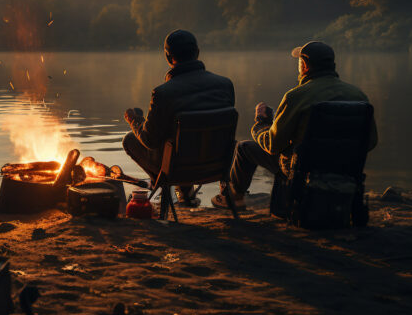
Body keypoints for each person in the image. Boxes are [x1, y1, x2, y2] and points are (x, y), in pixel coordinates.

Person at [212, 41, 377, 210]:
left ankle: (233, 199)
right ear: (332, 65)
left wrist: (260, 126)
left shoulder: (296, 96)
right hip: (344, 168)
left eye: (299, 62)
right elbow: (370, 142)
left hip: (303, 170)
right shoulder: (359, 96)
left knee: (244, 148)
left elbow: (273, 145)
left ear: (304, 66)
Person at [123, 30, 235, 206]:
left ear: (168, 57)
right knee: (183, 138)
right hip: (217, 166)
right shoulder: (225, 85)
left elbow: (149, 140)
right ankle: (185, 193)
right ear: (197, 52)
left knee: (131, 139)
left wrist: (134, 121)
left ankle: (171, 186)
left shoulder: (163, 93)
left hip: (178, 169)